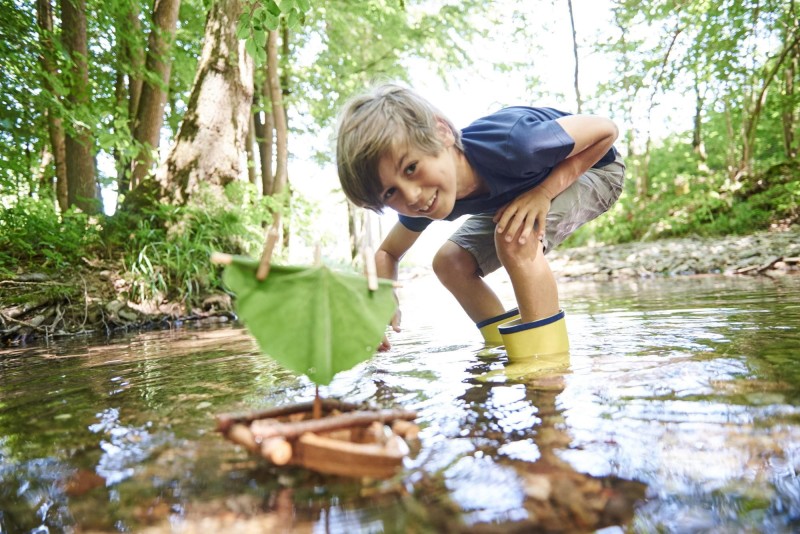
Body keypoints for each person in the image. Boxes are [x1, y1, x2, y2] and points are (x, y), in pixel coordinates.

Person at [336, 83, 625, 358]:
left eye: (411, 168)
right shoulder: (427, 197)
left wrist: (544, 193)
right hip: (527, 188)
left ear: (442, 133)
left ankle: (545, 365)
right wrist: (381, 302)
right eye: (390, 192)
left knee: (515, 236)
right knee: (450, 262)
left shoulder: (516, 144)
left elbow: (605, 130)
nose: (411, 196)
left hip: (596, 168)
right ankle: (503, 349)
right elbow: (388, 252)